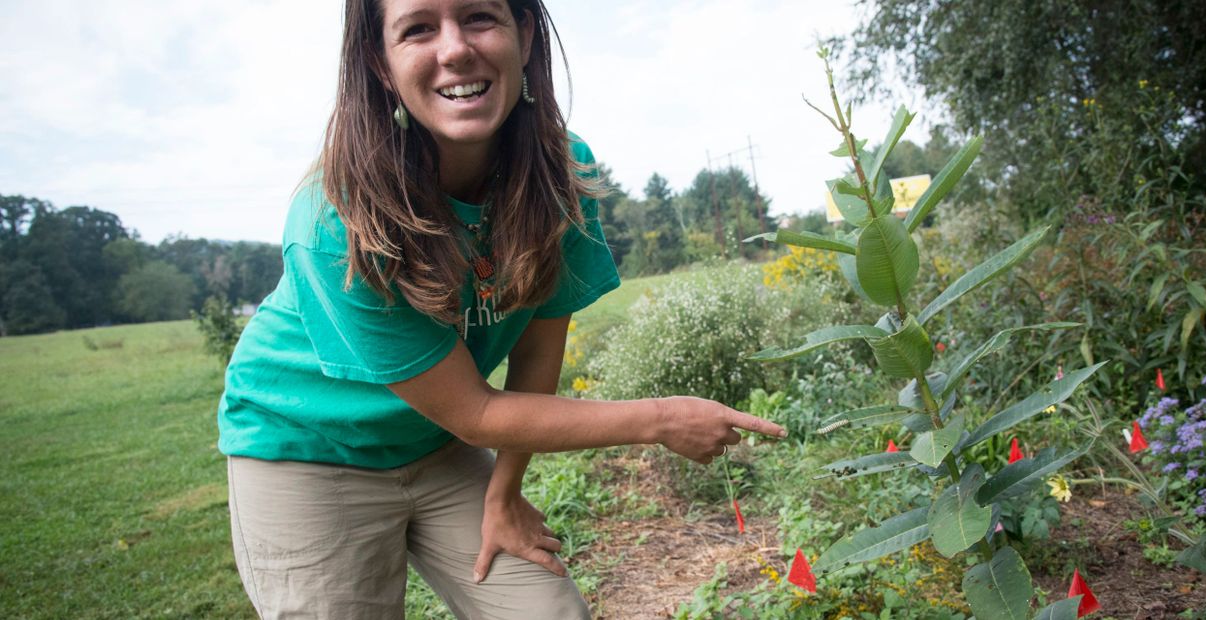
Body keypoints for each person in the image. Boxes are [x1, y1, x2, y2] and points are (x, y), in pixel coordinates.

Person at [216, 0, 787, 617]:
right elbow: (474, 412)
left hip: (435, 446)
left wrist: (503, 494)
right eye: (418, 29)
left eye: (480, 16)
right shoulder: (337, 217)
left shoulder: (562, 172)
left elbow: (538, 347)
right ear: (381, 65)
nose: (455, 48)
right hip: (307, 450)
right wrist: (662, 418)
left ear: (526, 35)